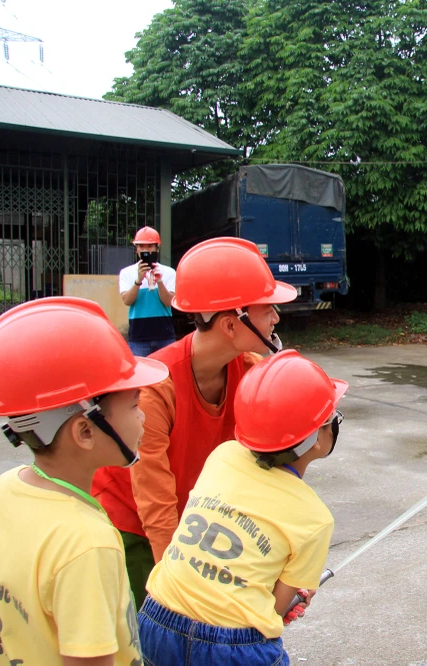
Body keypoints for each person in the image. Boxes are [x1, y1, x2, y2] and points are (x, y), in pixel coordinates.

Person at [93, 237, 297, 610]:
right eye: (267, 307)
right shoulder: (157, 386)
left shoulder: (250, 374)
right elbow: (153, 497)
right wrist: (179, 586)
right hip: (134, 523)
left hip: (195, 522)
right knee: (149, 628)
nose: (276, 317)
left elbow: (271, 471)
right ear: (231, 325)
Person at [0, 297, 169, 665]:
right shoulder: (87, 544)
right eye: (133, 405)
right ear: (85, 430)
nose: (144, 418)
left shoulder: (4, 489)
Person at [139, 350, 346, 665]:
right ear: (316, 439)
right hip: (234, 645)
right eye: (335, 418)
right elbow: (277, 608)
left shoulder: (224, 454)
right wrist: (292, 599)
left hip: (157, 616)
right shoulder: (314, 519)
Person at [119, 226, 178, 356]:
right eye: (141, 246)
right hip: (138, 337)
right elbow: (127, 301)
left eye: (150, 246)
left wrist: (160, 281)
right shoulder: (127, 273)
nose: (145, 250)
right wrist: (138, 280)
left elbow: (169, 302)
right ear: (136, 249)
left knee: (168, 374)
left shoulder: (169, 272)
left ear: (157, 248)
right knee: (141, 374)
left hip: (165, 336)